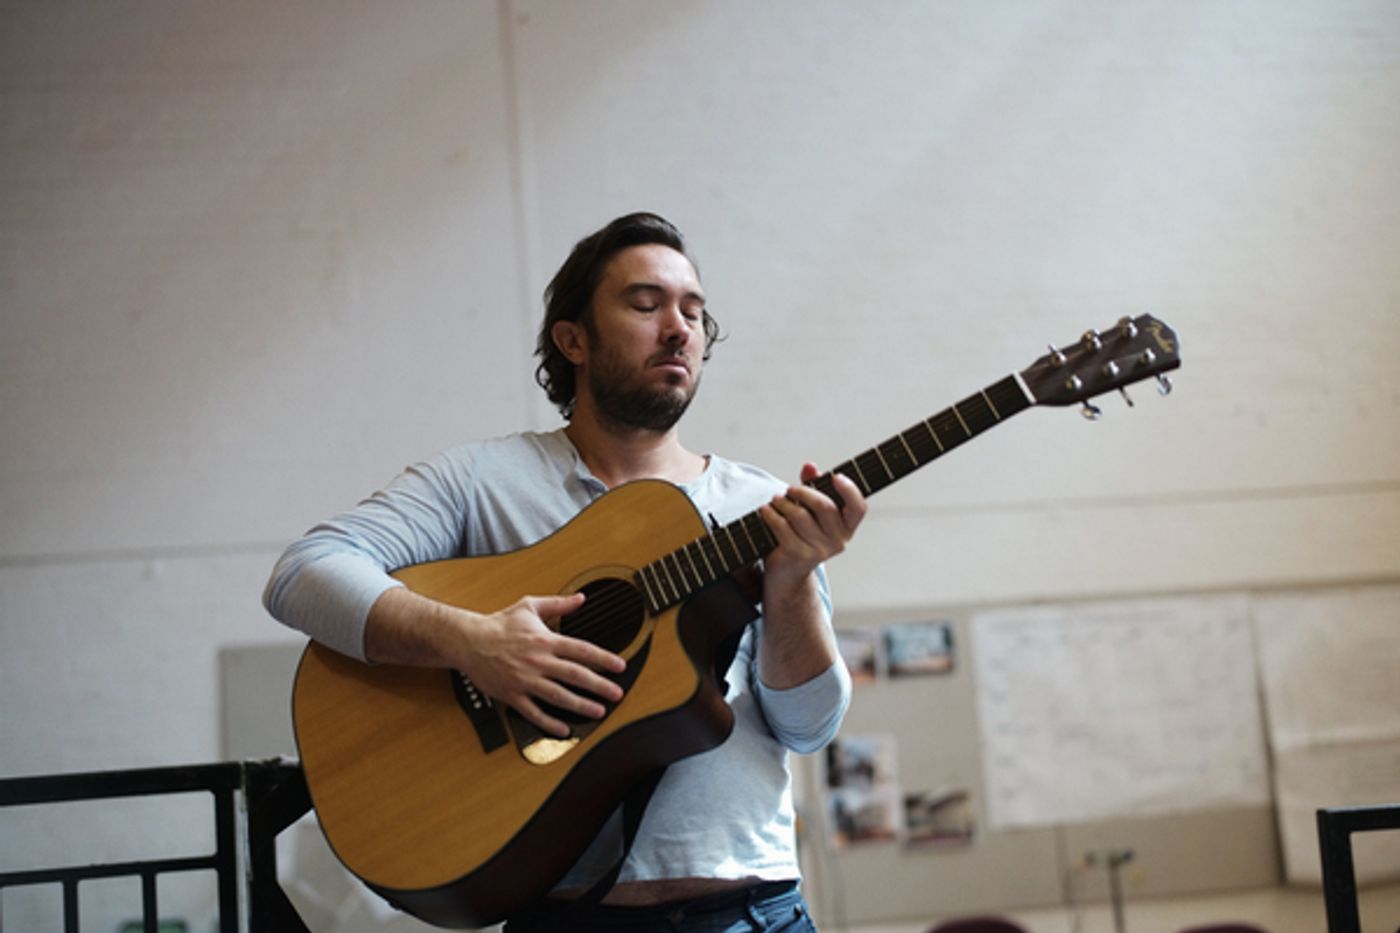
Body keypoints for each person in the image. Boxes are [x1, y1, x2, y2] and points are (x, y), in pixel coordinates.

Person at [263, 211, 866, 932]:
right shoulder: (484, 479)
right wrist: (473, 642)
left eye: (694, 312)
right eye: (646, 305)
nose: (678, 328)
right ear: (573, 338)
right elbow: (303, 572)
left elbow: (807, 727)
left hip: (751, 910)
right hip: (564, 916)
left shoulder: (762, 508)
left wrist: (792, 581)